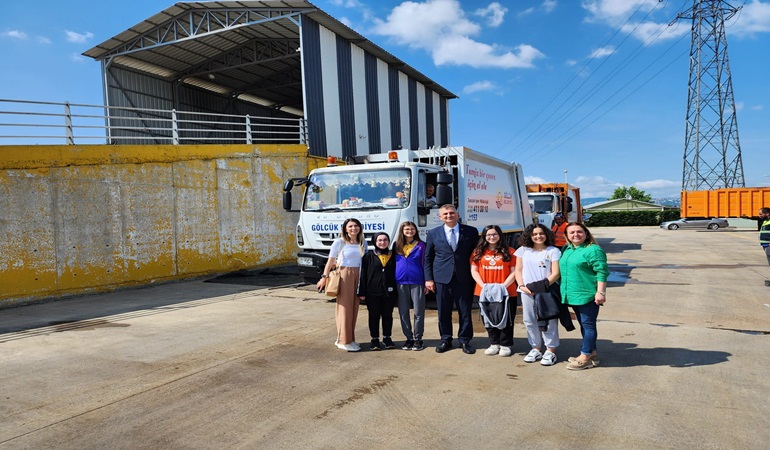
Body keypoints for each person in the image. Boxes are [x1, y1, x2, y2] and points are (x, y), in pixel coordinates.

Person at [424, 204, 478, 354]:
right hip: (442, 278)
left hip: (464, 277)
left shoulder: (470, 231)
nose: (449, 216)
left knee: (465, 311)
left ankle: (465, 340)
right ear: (440, 217)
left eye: (451, 213)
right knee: (443, 311)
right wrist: (428, 279)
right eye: (445, 214)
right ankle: (445, 339)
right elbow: (428, 258)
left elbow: (477, 255)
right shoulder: (433, 233)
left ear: (457, 214)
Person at [559, 222, 609, 370]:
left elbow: (602, 272)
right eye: (572, 232)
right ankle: (592, 353)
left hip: (587, 295)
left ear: (586, 233)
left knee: (588, 325)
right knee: (584, 324)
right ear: (567, 236)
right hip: (572, 294)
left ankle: (585, 357)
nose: (576, 235)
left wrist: (600, 292)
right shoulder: (568, 249)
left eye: (579, 231)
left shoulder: (593, 250)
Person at [317, 218, 368, 352]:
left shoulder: (363, 243)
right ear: (345, 228)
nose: (353, 228)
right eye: (350, 226)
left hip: (359, 275)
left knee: (354, 308)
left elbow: (365, 261)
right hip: (344, 275)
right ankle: (343, 340)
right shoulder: (339, 242)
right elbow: (330, 261)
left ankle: (349, 338)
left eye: (356, 226)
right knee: (344, 308)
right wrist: (324, 277)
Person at [514, 224, 562, 366]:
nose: (538, 236)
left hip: (546, 290)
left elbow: (556, 273)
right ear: (529, 236)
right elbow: (518, 270)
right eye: (534, 234)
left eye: (541, 233)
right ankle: (536, 348)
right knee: (529, 320)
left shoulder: (553, 251)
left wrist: (541, 286)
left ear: (546, 234)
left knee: (549, 319)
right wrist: (522, 286)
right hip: (526, 291)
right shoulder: (523, 250)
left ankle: (550, 350)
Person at [470, 225, 518, 357]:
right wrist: (484, 286)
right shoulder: (478, 252)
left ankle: (505, 344)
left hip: (506, 292)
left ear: (500, 235)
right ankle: (494, 343)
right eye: (488, 235)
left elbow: (515, 272)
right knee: (488, 318)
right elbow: (474, 271)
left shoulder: (510, 251)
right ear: (484, 237)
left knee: (506, 319)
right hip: (484, 291)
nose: (492, 237)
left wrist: (502, 287)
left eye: (495, 234)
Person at [358, 232, 397, 351]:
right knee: (374, 316)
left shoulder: (393, 255)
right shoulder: (368, 256)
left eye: (385, 240)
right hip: (372, 292)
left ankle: (387, 338)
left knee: (387, 315)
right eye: (379, 240)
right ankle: (374, 339)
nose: (382, 242)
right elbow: (363, 275)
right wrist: (362, 292)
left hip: (389, 292)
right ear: (375, 242)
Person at [393, 221, 427, 351]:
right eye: (407, 229)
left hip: (417, 281)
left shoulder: (421, 245)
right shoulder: (396, 245)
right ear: (402, 231)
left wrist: (426, 282)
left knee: (419, 311)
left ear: (416, 231)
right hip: (400, 282)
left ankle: (418, 338)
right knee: (403, 312)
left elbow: (425, 263)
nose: (409, 231)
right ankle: (409, 338)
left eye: (412, 229)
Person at [759, 207, 770, 286]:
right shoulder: (766, 221)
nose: (759, 215)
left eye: (761, 214)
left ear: (767, 214)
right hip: (765, 245)